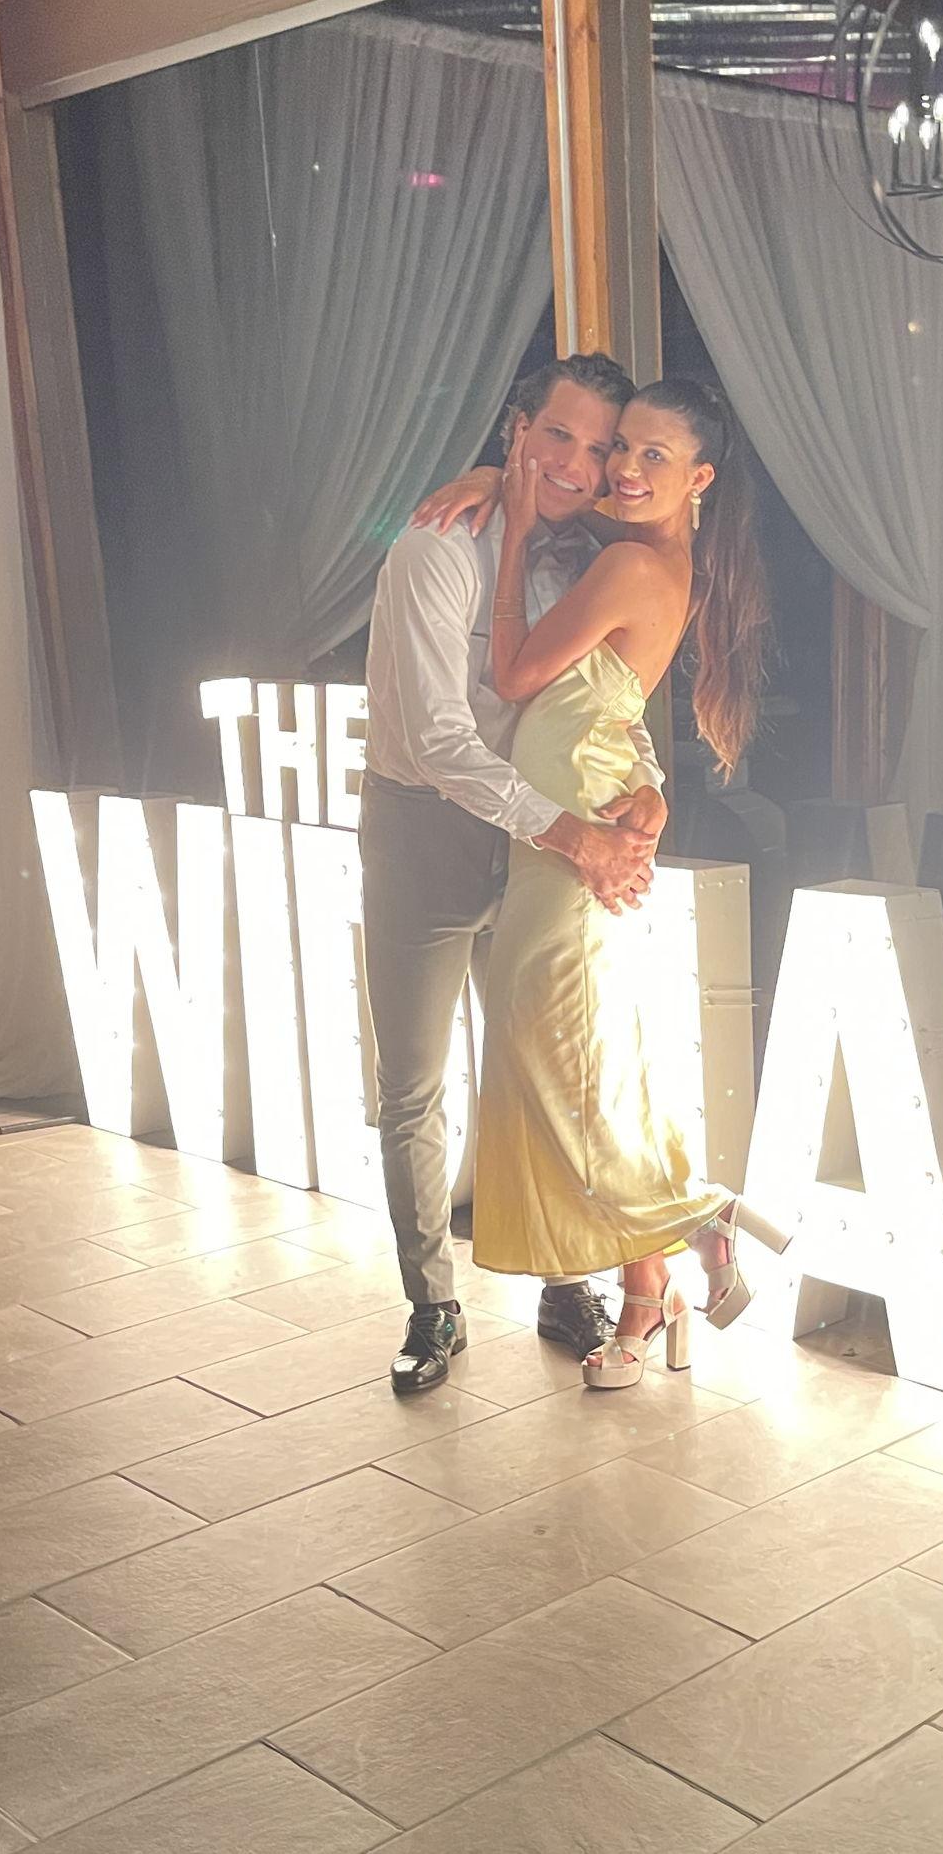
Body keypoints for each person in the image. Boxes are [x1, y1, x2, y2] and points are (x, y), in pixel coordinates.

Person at [429, 378, 784, 1391]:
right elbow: (612, 707)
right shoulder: (648, 556)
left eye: (651, 456)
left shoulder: (630, 563)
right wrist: (499, 481)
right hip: (579, 818)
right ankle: (650, 1290)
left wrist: (507, 531)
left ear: (698, 480)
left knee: (558, 1066)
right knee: (596, 1068)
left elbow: (511, 675)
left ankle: (697, 1218)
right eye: (618, 447)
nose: (621, 468)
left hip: (573, 841)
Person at [360, 353, 668, 1395]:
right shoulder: (436, 546)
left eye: (599, 447)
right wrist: (573, 836)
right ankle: (432, 1304)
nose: (577, 464)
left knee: (546, 1071)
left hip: (539, 844)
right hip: (424, 833)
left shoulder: (586, 562)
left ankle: (562, 1280)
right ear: (515, 429)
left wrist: (650, 787)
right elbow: (441, 741)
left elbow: (604, 701)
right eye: (557, 436)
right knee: (413, 1085)